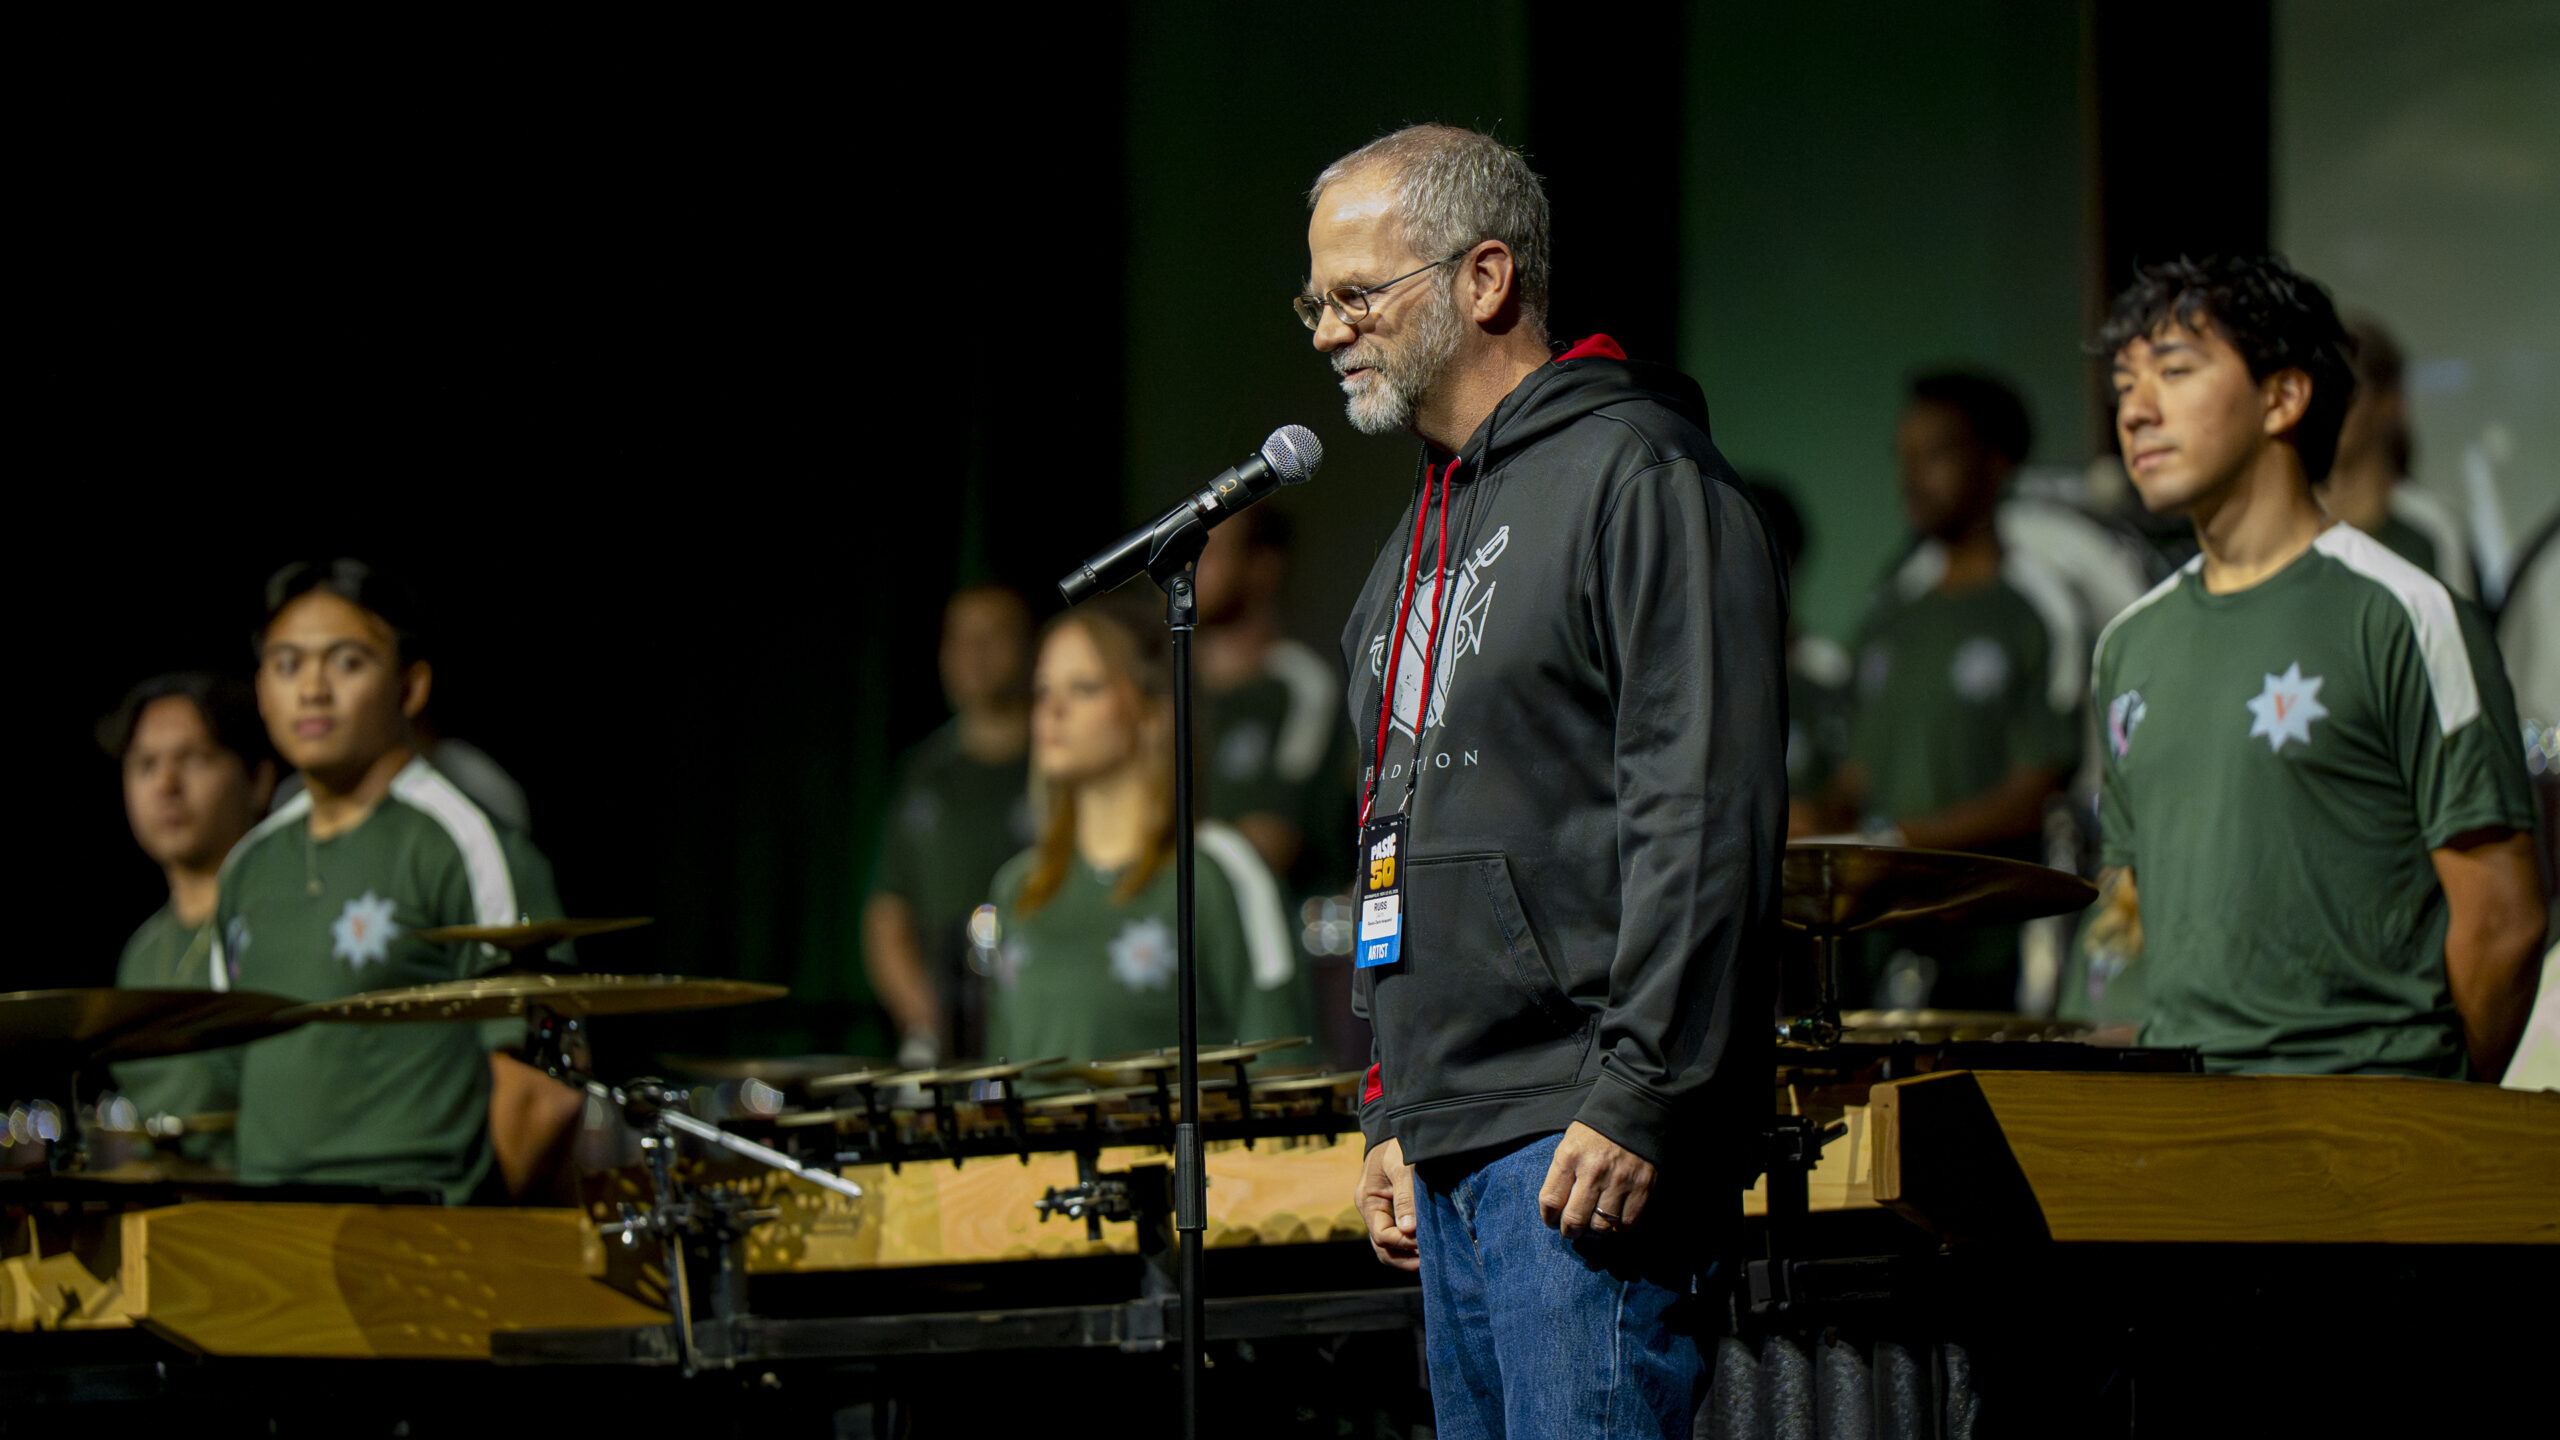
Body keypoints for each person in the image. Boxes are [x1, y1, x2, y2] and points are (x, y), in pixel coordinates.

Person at [1303, 124, 1785, 1436]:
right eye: (1317, 301)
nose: (1329, 332)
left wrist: (1644, 1091)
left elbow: (1704, 809)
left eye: (1359, 294)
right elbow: (1389, 832)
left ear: (1485, 278)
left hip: (1580, 1135)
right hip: (1447, 1140)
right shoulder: (1408, 544)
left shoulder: (1641, 475)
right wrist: (1390, 1104)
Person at [2091, 255, 2544, 1079]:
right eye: (2125, 385)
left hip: (2364, 1118)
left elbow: (2504, 922)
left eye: (2176, 372)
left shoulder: (2402, 612)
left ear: (2283, 398)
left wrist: (2430, 1111)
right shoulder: (2129, 644)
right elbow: (2141, 918)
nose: (2135, 411)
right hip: (2179, 1121)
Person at [215, 560, 583, 1201]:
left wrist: (467, 1226)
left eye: (347, 662)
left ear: (410, 687)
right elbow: (228, 1079)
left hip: (421, 1220)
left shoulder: (463, 842)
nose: (313, 690)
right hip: (268, 1225)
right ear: (262, 690)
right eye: (287, 664)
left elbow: (541, 1090)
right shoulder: (249, 865)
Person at [1808, 371, 2083, 1009]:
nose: (1913, 478)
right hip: (1880, 940)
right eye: (1904, 458)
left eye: (1936, 455)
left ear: (1996, 463)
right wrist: (1816, 818)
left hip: (1989, 950)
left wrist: (1905, 842)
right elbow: (1858, 775)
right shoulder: (1890, 613)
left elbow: (2038, 792)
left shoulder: (2040, 609)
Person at [983, 601, 1312, 1067]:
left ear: (1152, 712)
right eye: (1042, 690)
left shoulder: (1217, 872)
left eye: (1085, 687)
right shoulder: (1018, 886)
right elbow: (1003, 1075)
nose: (1053, 710)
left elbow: (1285, 1071)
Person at [98, 672, 278, 1167]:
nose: (166, 786)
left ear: (258, 780)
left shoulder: (284, 924)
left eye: (194, 759)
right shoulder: (142, 951)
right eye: (145, 765)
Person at [864, 584, 1039, 1066]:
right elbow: (888, 912)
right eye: (959, 639)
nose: (973, 654)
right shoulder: (924, 771)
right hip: (944, 1035)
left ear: (1030, 647)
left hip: (1042, 1025)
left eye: (992, 637)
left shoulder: (1060, 762)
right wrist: (927, 1016)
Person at [1194, 508, 1357, 893]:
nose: (1187, 567)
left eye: (1208, 551)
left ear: (1263, 567)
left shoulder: (1301, 686)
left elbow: (1270, 844)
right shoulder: (1166, 694)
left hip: (1277, 917)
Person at [2319, 315, 2476, 598]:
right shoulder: (2283, 524)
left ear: (2390, 404)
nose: (2325, 408)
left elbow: (2454, 623)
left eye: (2343, 391)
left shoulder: (2432, 530)